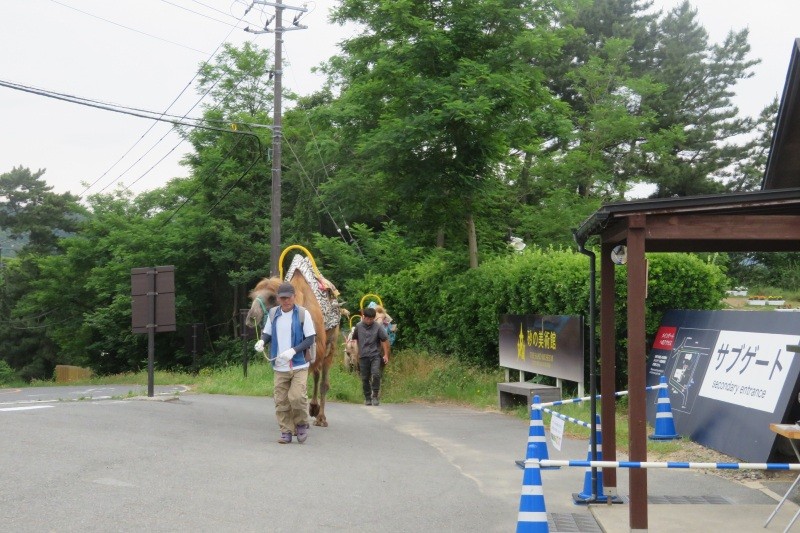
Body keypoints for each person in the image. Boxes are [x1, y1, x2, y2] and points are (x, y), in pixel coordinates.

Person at [254, 282, 316, 444]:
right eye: (283, 298)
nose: (286, 301)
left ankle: (301, 424)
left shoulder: (303, 314)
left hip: (299, 364)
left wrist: (293, 351)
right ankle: (286, 431)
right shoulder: (274, 314)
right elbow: (267, 333)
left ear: (294, 297)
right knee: (281, 400)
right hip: (279, 366)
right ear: (279, 299)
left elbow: (310, 338)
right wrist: (262, 342)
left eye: (289, 297)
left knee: (296, 397)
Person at [352, 306, 390, 406]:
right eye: (367, 318)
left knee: (376, 374)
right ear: (364, 317)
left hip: (375, 355)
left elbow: (384, 340)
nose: (369, 321)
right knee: (364, 378)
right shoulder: (358, 326)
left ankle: (375, 396)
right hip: (363, 356)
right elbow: (355, 338)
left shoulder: (378, 327)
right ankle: (367, 397)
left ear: (374, 318)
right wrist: (356, 352)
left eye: (371, 319)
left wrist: (386, 355)